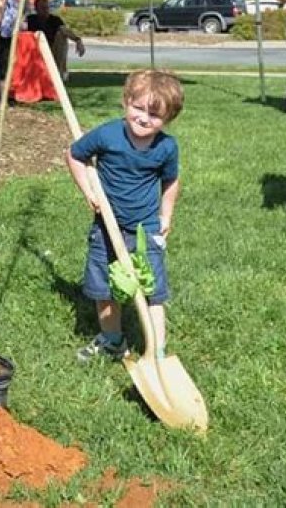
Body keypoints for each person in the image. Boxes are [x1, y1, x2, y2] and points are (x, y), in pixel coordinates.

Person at [66, 69, 184, 362]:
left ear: (168, 119)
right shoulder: (108, 134)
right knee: (104, 289)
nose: (144, 118)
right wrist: (89, 193)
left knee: (152, 292)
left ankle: (156, 351)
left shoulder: (166, 147)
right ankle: (112, 339)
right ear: (126, 102)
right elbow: (74, 155)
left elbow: (171, 182)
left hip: (145, 232)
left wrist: (165, 215)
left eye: (154, 115)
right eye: (138, 108)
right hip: (106, 228)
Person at [26, 0, 85, 79]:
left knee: (61, 34)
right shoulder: (30, 20)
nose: (46, 10)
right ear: (36, 9)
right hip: (36, 49)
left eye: (47, 7)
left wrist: (77, 40)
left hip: (53, 48)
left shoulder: (55, 20)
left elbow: (65, 30)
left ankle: (59, 73)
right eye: (42, 8)